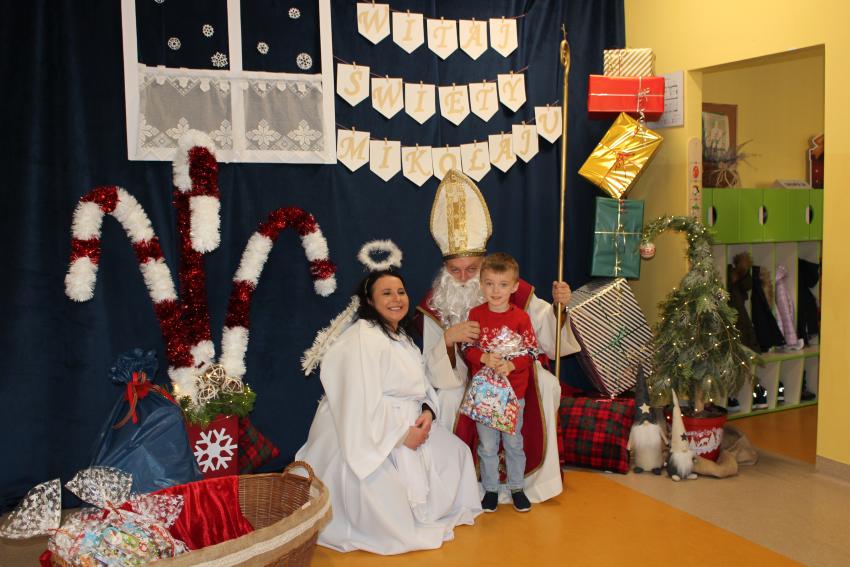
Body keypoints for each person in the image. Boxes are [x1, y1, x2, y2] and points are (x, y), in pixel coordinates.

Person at [416, 169, 580, 505]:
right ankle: (467, 486)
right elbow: (430, 367)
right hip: (464, 377)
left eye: (472, 269)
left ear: (485, 264)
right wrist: (449, 339)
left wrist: (559, 308)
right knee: (447, 399)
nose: (464, 278)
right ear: (445, 269)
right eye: (455, 270)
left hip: (513, 374)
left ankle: (527, 485)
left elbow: (545, 335)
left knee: (547, 384)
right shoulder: (435, 303)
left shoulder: (512, 291)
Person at [295, 269, 482, 555]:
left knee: (457, 453)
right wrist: (400, 436)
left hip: (410, 418)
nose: (396, 299)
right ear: (370, 301)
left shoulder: (401, 336)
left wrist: (427, 411)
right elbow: (357, 399)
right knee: (382, 498)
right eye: (386, 293)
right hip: (371, 428)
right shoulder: (362, 337)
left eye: (400, 292)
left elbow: (419, 382)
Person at [460, 253, 540, 512]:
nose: (496, 291)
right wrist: (483, 357)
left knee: (513, 443)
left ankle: (517, 487)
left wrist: (511, 364)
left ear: (514, 287)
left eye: (503, 284)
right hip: (485, 393)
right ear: (481, 285)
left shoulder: (521, 318)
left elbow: (531, 351)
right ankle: (491, 489)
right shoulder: (475, 314)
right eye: (490, 284)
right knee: (487, 445)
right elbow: (467, 348)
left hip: (514, 393)